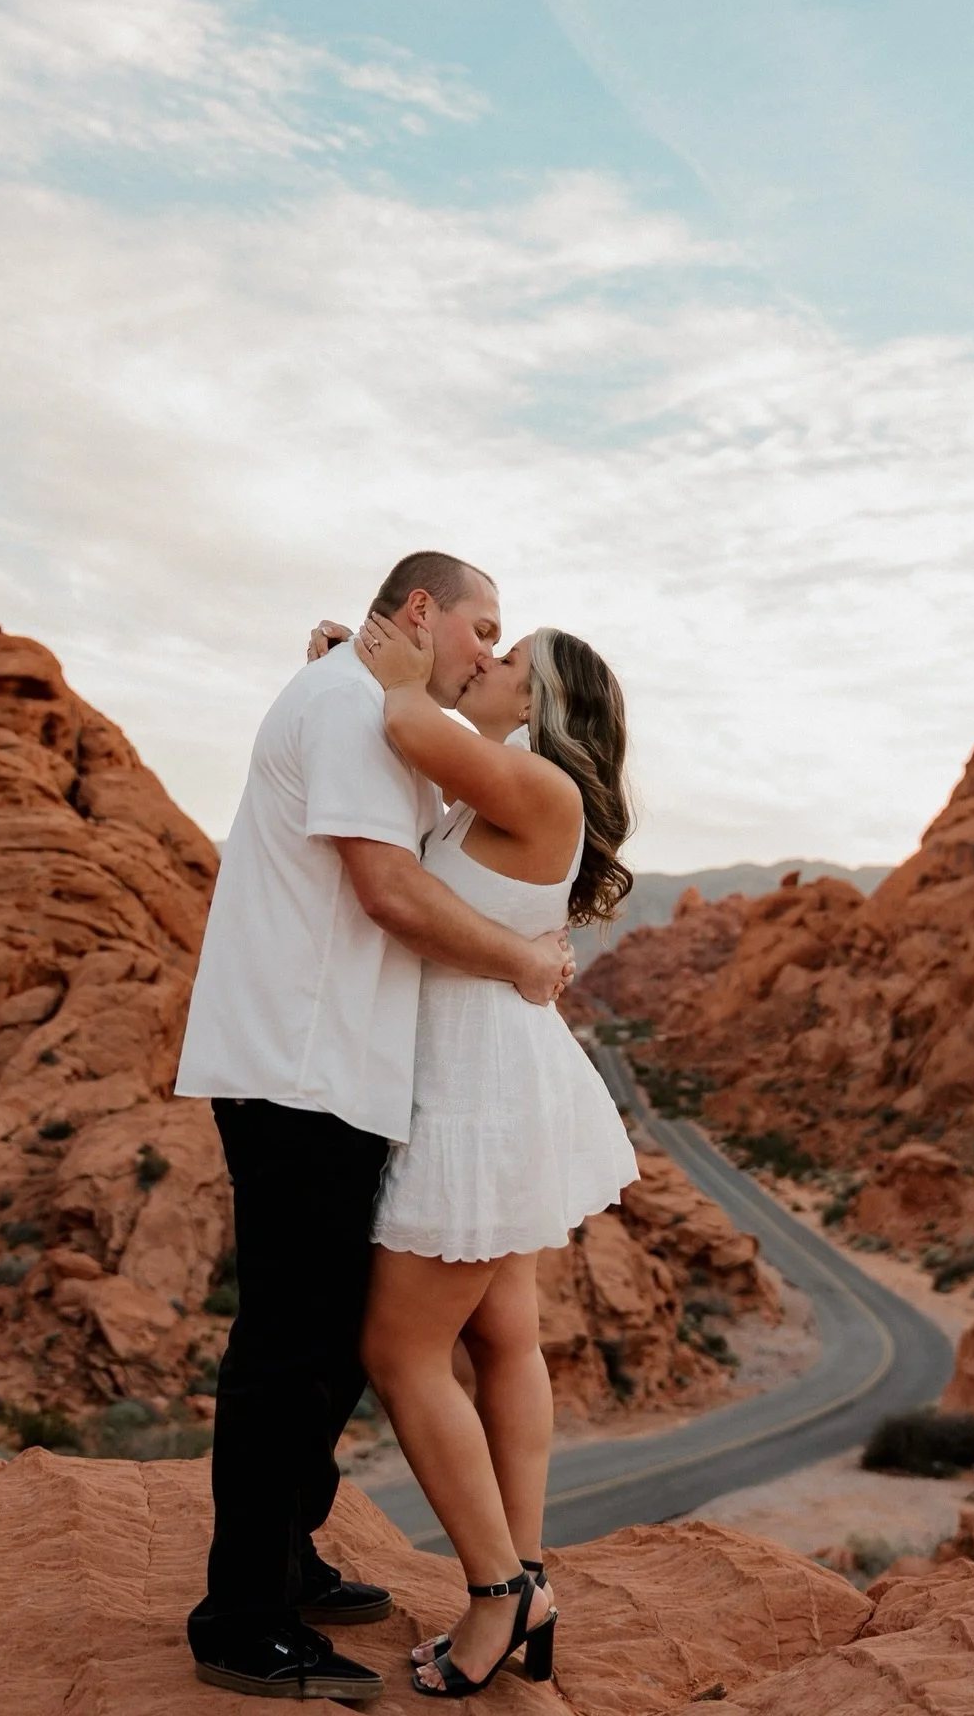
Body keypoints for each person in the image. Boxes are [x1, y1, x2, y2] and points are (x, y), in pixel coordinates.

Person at [174, 552, 575, 1703]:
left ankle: (284, 1558)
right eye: (480, 628)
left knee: (329, 1337)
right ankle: (239, 1620)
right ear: (419, 612)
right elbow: (390, 895)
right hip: (299, 1070)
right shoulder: (353, 707)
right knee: (287, 1346)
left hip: (340, 1075)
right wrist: (526, 964)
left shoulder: (371, 707)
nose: (488, 654)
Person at [349, 610, 639, 1699]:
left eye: (511, 661)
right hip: (489, 1075)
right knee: (503, 1340)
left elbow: (411, 722)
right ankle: (530, 1584)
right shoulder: (505, 791)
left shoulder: (540, 788)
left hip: (476, 1092)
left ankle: (498, 1593)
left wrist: (389, 668)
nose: (491, 662)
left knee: (401, 1352)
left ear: (541, 705)